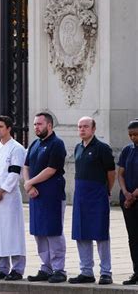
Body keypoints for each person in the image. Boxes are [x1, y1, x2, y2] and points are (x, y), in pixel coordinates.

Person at [69, 117, 116, 285]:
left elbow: (111, 173)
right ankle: (86, 271)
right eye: (80, 127)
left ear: (93, 129)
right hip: (81, 197)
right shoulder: (78, 148)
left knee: (101, 234)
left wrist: (106, 190)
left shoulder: (102, 148)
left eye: (86, 127)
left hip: (97, 195)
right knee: (81, 234)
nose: (82, 129)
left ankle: (106, 272)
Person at [23, 112, 67, 283]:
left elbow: (51, 169)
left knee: (53, 231)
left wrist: (30, 183)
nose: (36, 127)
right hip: (35, 195)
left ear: (49, 125)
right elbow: (26, 166)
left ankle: (59, 269)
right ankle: (45, 267)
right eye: (34, 124)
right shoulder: (34, 144)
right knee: (39, 232)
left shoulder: (57, 144)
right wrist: (29, 184)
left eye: (39, 124)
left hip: (52, 194)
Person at [0, 115, 27, 281]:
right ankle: (2, 267)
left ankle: (17, 268)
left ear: (9, 128)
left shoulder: (16, 148)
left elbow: (14, 173)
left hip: (8, 197)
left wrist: (1, 191)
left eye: (1, 126)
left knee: (13, 232)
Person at [117, 120, 138, 285]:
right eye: (130, 135)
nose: (133, 138)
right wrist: (125, 193)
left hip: (134, 197)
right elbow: (121, 173)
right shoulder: (127, 150)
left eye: (136, 134)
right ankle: (136, 271)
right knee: (133, 237)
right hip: (128, 199)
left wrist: (134, 194)